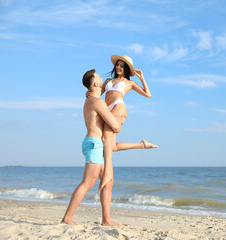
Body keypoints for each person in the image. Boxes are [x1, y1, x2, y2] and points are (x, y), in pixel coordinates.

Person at [61, 69, 123, 226]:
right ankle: (67, 218)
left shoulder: (91, 100)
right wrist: (119, 121)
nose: (102, 78)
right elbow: (115, 127)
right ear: (95, 83)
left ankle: (106, 219)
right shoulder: (96, 102)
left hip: (96, 144)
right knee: (88, 182)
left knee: (108, 181)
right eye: (99, 77)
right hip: (94, 144)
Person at [98, 55, 157, 190]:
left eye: (122, 66)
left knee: (105, 138)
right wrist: (89, 93)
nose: (119, 67)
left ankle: (107, 173)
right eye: (117, 65)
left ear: (126, 69)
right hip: (106, 110)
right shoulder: (108, 80)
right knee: (110, 146)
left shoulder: (129, 83)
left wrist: (141, 78)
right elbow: (97, 95)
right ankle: (141, 144)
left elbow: (148, 94)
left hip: (118, 107)